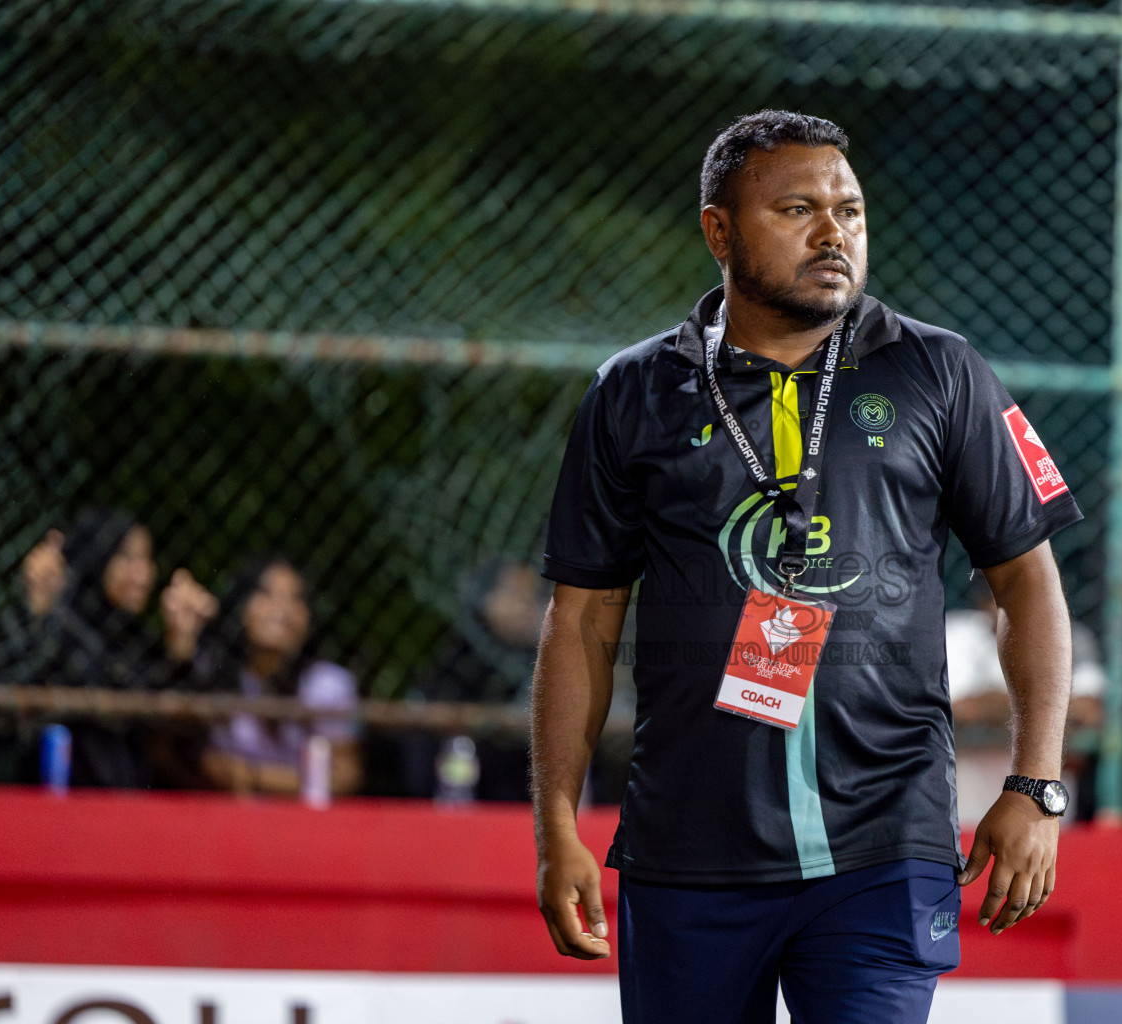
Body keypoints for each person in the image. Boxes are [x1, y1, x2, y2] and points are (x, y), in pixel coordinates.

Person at [531, 110, 1083, 1024]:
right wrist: (556, 823)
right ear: (718, 231)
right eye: (797, 208)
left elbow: (1027, 583)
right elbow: (583, 620)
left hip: (885, 842)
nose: (834, 233)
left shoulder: (939, 371)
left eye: (850, 210)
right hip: (687, 852)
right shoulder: (633, 391)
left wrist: (1036, 782)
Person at [0, 509, 216, 787]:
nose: (142, 573)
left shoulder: (135, 640)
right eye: (128, 557)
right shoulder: (61, 622)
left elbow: (175, 724)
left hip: (123, 798)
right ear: (99, 556)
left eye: (146, 558)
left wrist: (182, 649)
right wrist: (37, 612)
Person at [197, 556, 361, 797]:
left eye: (295, 598)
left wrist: (251, 776)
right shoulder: (208, 671)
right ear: (240, 606)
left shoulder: (327, 684)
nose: (282, 609)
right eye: (266, 594)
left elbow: (346, 776)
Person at [946, 576, 1106, 822]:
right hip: (970, 784)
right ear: (983, 603)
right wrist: (1044, 707)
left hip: (1042, 781)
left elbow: (1090, 713)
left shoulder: (1071, 636)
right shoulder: (958, 634)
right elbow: (960, 711)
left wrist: (995, 706)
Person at [400, 557, 543, 802]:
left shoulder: (540, 670)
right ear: (482, 599)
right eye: (513, 594)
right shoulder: (453, 671)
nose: (525, 607)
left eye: (529, 597)